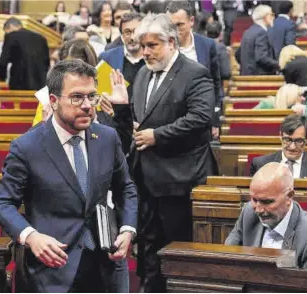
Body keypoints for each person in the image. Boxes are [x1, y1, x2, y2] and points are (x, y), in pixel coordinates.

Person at [0, 59, 138, 293]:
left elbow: (126, 189)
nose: (88, 105)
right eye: (76, 97)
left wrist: (128, 229)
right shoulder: (27, 146)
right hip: (53, 270)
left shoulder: (107, 138)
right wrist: (31, 237)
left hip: (106, 267)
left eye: (92, 96)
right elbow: (2, 204)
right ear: (53, 101)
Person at [114, 13, 217, 292]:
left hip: (179, 179)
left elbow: (200, 118)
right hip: (145, 178)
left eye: (151, 45)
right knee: (148, 250)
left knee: (176, 251)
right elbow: (139, 123)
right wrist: (123, 110)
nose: (144, 52)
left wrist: (157, 135)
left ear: (171, 42)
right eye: (141, 45)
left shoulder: (195, 73)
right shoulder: (143, 73)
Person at [226, 162, 307, 272]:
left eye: (267, 202)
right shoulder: (248, 213)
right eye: (254, 200)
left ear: (289, 197)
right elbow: (227, 258)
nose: (258, 209)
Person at [166, 0, 223, 139]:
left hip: (201, 121)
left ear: (191, 21)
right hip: (168, 122)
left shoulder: (207, 45)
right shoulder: (163, 47)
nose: (175, 30)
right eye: (171, 26)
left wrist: (215, 119)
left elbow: (215, 84)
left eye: (179, 25)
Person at [99, 12, 145, 154]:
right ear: (121, 35)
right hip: (117, 129)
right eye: (127, 32)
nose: (132, 37)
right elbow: (102, 101)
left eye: (136, 32)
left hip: (147, 130)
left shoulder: (153, 57)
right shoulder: (107, 58)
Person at [250, 114, 307, 178]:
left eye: (299, 141)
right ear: (280, 136)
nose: (292, 147)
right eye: (287, 140)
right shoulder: (261, 165)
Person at [0, 17, 50, 90]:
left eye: (6, 31)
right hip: (40, 83)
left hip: (19, 82)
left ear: (11, 27)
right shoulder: (41, 38)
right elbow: (47, 62)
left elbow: (3, 61)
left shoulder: (11, 36)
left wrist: (2, 78)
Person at [237, 5, 279, 75]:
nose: (273, 17)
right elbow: (261, 57)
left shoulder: (248, 31)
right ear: (264, 17)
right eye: (271, 15)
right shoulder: (261, 33)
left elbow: (238, 54)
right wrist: (279, 65)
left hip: (246, 76)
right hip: (259, 77)